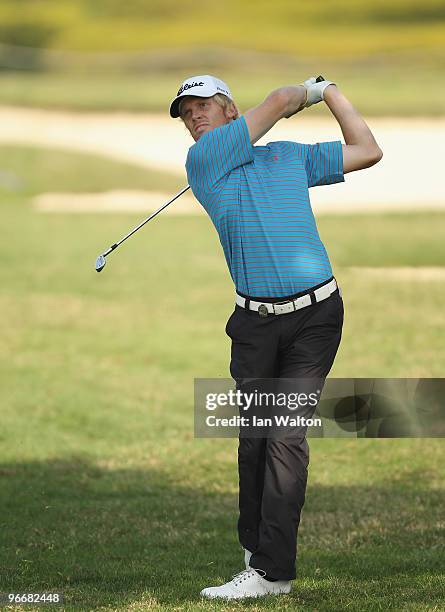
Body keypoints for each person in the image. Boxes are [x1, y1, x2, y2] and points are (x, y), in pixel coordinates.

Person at [169, 74, 382, 599]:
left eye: (204, 107)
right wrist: (308, 91)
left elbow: (367, 150)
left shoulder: (286, 156)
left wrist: (333, 93)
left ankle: (272, 572)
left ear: (230, 111)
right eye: (185, 112)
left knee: (285, 439)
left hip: (316, 315)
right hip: (254, 325)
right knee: (255, 441)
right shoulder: (205, 164)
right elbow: (284, 99)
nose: (194, 117)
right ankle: (256, 548)